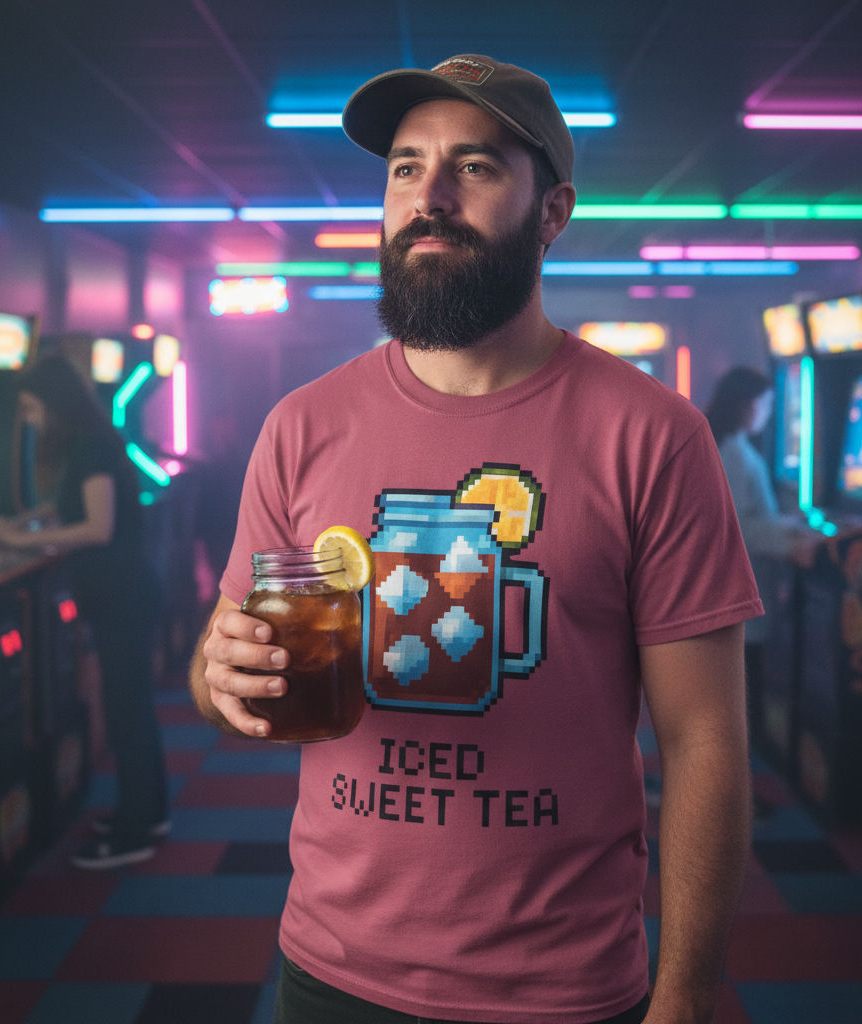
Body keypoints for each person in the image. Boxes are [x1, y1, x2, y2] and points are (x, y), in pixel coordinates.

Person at [190, 54, 763, 1024]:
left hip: (564, 985)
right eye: (406, 168)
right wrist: (221, 674)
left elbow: (703, 738)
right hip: (331, 967)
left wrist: (686, 991)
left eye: (477, 168)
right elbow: (220, 663)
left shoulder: (653, 433)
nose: (431, 196)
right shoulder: (302, 424)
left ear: (552, 213)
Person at [0, 355, 169, 870]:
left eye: (30, 405)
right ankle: (150, 813)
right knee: (135, 709)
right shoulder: (93, 442)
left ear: (53, 400)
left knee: (126, 712)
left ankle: (133, 835)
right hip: (126, 593)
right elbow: (76, 508)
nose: (27, 416)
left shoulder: (88, 447)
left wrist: (26, 540)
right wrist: (31, 521)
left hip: (122, 597)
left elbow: (97, 527)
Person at [704, 366, 821, 712]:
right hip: (736, 594)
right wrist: (793, 542)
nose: (770, 415)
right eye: (767, 405)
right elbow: (737, 525)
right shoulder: (735, 454)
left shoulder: (725, 444)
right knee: (741, 696)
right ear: (747, 405)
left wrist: (787, 525)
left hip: (726, 593)